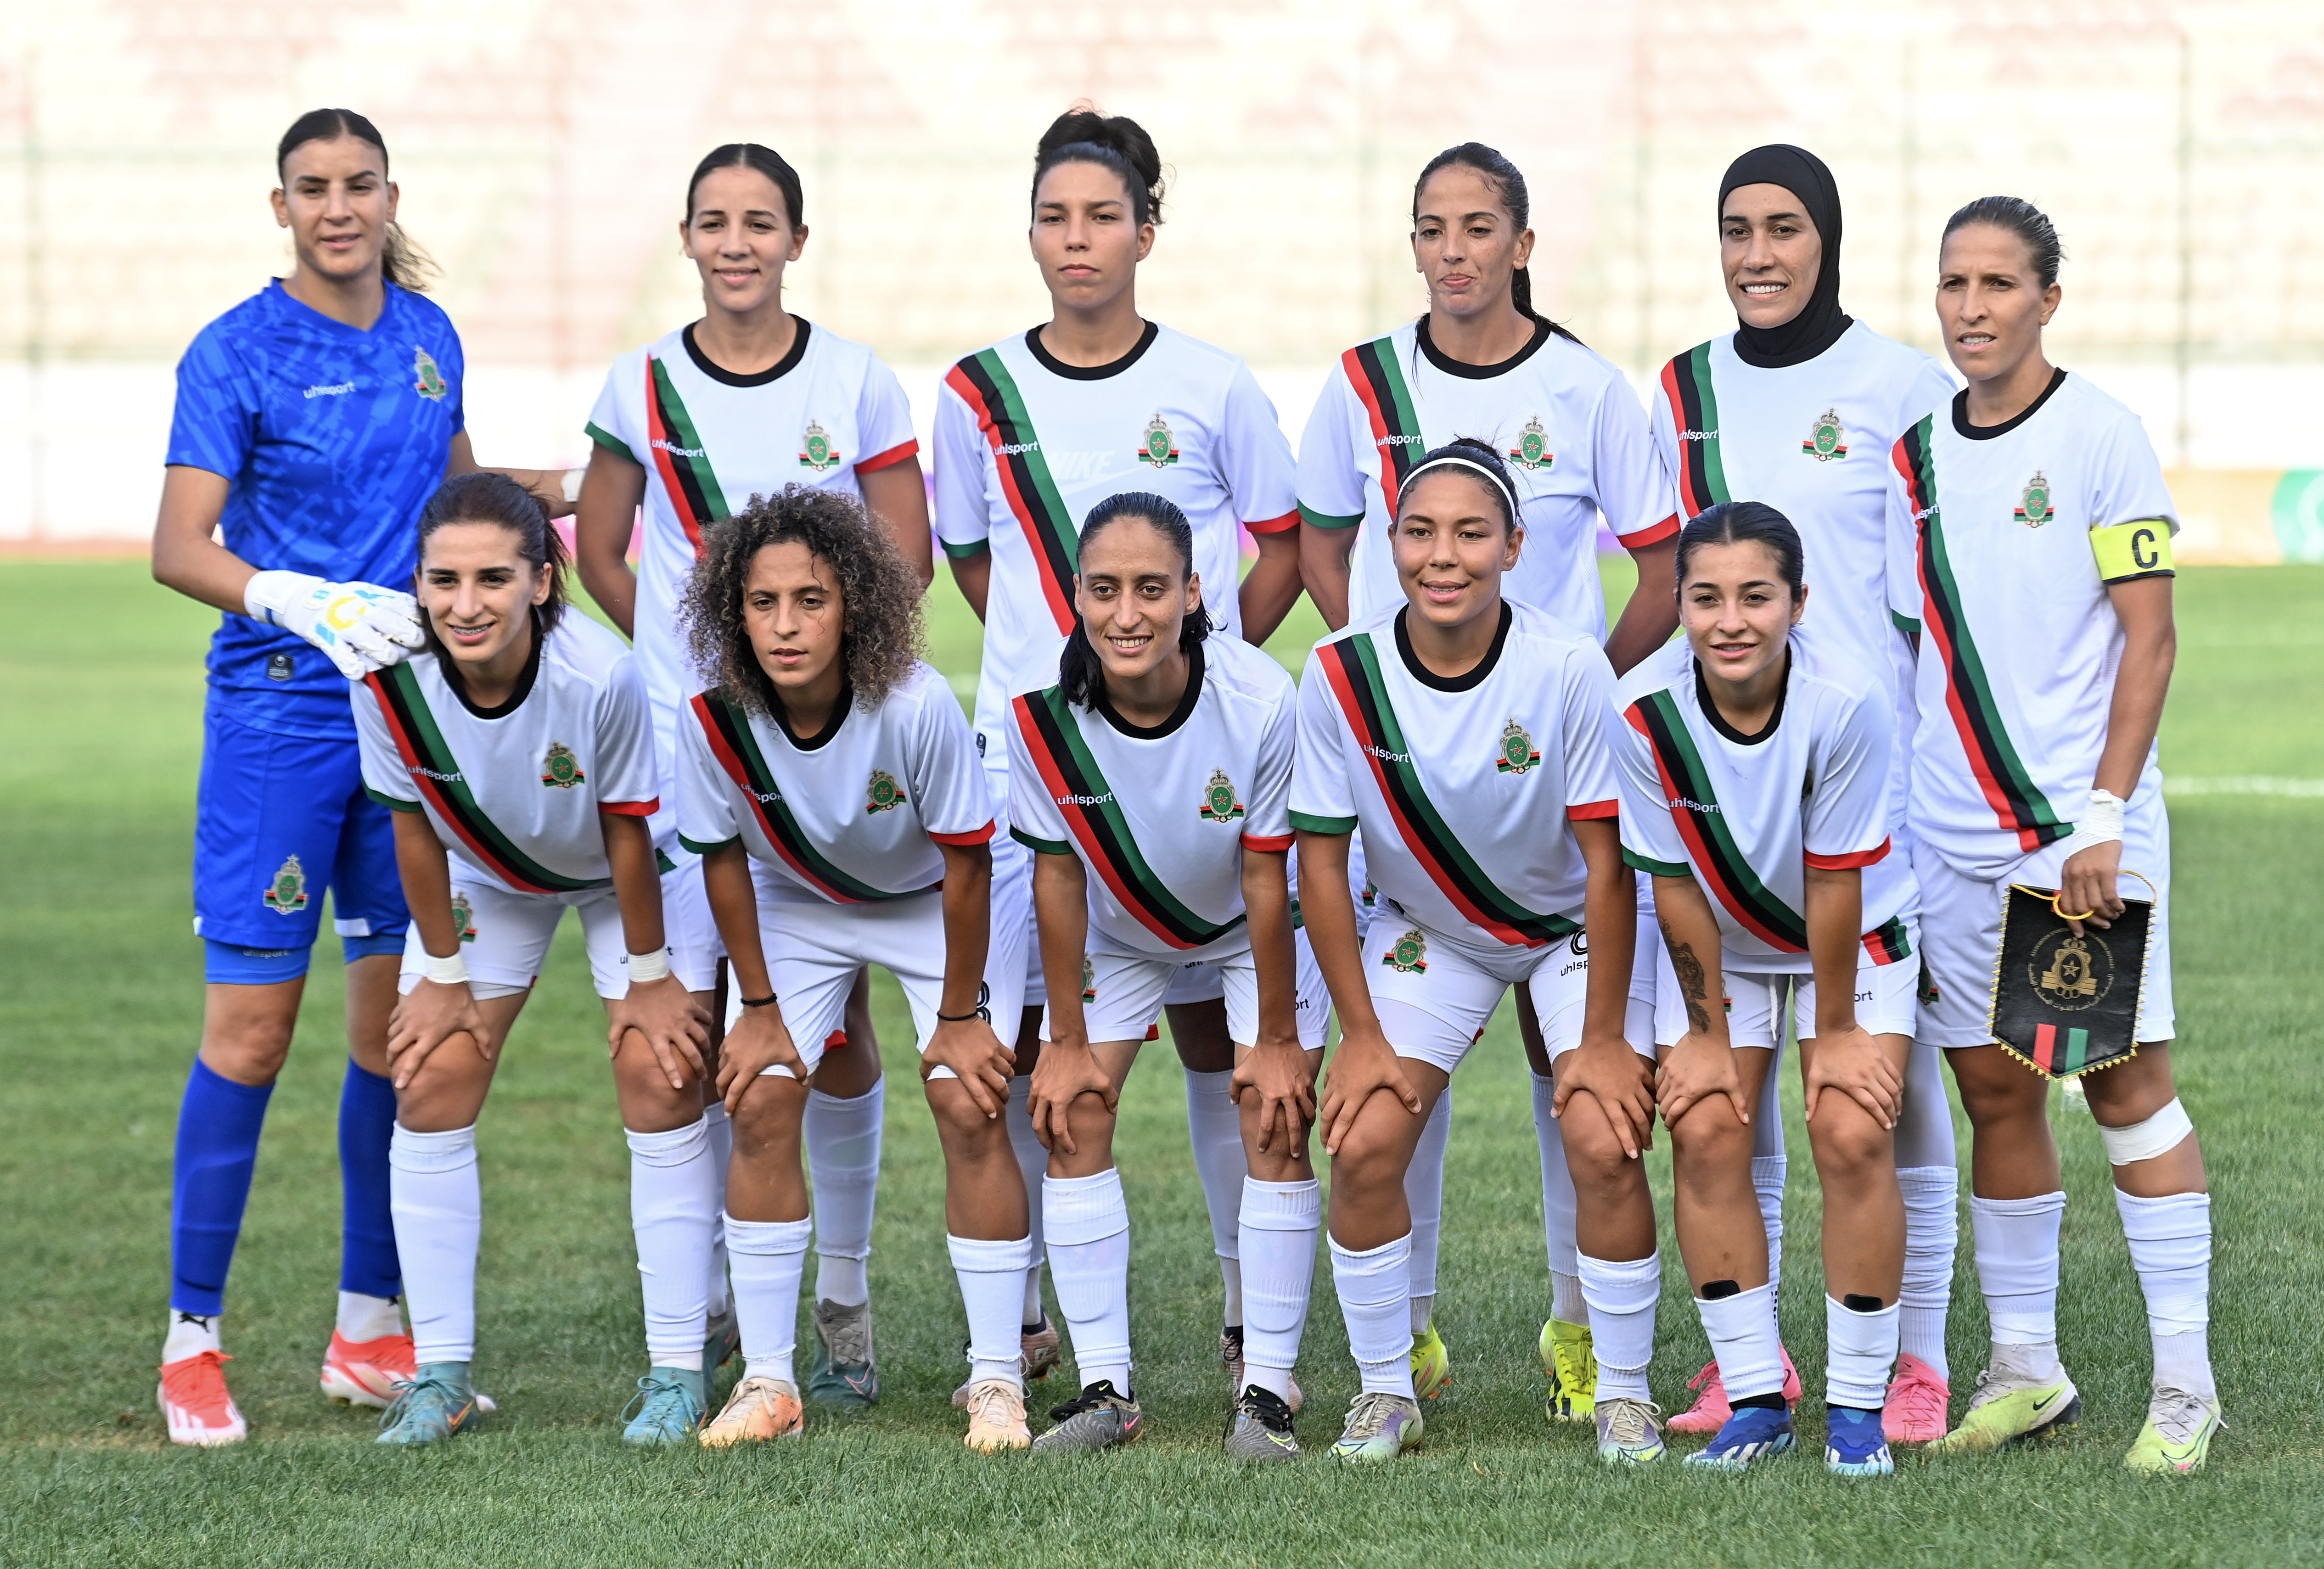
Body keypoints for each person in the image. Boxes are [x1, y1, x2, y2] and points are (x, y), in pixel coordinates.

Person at [148, 107, 574, 1446]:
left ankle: (367, 1325)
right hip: (280, 717)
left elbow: (460, 500)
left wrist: (592, 483)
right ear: (279, 205)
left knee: (391, 1029)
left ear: (392, 194)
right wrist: (295, 599)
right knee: (253, 1031)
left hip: (409, 721)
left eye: (359, 186)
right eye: (313, 189)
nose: (339, 208)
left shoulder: (429, 337)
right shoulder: (234, 350)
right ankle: (191, 1339)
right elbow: (178, 544)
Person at [1295, 142, 1681, 1416]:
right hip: (1404, 785)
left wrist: (1567, 689)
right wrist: (1393, 700)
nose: (1450, 250)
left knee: (1572, 1079)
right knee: (1395, 1080)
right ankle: (1400, 1347)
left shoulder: (1584, 388)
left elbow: (1661, 574)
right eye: (1429, 229)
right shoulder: (1358, 380)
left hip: (1555, 801)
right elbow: (1318, 549)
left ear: (1522, 242)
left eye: (1476, 228)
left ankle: (1583, 1339)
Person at [933, 105, 1309, 1391]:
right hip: (1038, 761)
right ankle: (1029, 1318)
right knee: (1043, 1037)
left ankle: (1242, 1307)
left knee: (1223, 1039)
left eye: (1102, 215)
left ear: (1148, 229)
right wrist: (1082, 684)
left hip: (1188, 765)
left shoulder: (1211, 382)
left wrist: (1191, 682)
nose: (1075, 239)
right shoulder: (973, 391)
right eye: (1054, 215)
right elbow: (974, 562)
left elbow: (1278, 545)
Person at [573, 143, 926, 1408]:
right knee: (692, 1032)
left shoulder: (855, 380)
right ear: (686, 239)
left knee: (831, 1035)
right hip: (690, 754)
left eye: (759, 222)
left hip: (823, 752)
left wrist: (813, 676)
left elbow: (905, 559)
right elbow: (600, 549)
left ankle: (842, 1298)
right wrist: (687, 656)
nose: (736, 242)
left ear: (795, 239)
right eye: (714, 222)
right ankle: (712, 1314)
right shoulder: (641, 382)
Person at [1888, 197, 2221, 1474]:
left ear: (2045, 300)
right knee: (1993, 1087)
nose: (1969, 306)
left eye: (1995, 283)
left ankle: (2182, 1388)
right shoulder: (1912, 455)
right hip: (1947, 836)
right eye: (1951, 282)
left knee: (2117, 1086)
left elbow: (2150, 637)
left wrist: (2098, 815)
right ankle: (2024, 1368)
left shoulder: (2098, 436)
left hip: (2066, 840)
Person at [1646, 144, 1963, 1444]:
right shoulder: (1678, 387)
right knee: (1727, 1096)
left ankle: (1912, 1360)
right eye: (1735, 230)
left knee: (1892, 1097)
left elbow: (1926, 603)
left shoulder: (1900, 388)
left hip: (1871, 795)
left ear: (1827, 239)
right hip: (1725, 800)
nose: (1757, 255)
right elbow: (1665, 587)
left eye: (1782, 228)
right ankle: (1750, 1364)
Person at [1291, 439, 1637, 1463]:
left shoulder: (1569, 664)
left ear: (1514, 546)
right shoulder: (1338, 670)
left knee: (1601, 1131)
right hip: (1427, 929)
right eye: (1418, 532)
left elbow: (1607, 864)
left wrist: (1606, 1035)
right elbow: (1319, 861)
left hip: (1565, 928)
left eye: (1470, 533)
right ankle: (1385, 1390)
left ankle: (1620, 1391)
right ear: (1388, 544)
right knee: (1358, 1139)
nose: (1442, 556)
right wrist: (1355, 1033)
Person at [351, 474, 708, 1446]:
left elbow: (629, 832)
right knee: (427, 1077)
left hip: (624, 869)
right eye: (444, 580)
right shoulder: (383, 670)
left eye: (494, 578)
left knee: (660, 1071)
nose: (466, 603)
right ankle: (442, 1375)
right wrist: (442, 973)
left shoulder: (600, 674)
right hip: (490, 871)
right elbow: (412, 825)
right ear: (417, 584)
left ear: (543, 582)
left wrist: (646, 978)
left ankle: (679, 1368)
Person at [675, 488, 1035, 1450]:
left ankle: (997, 1378)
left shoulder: (914, 705)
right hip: (799, 904)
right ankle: (769, 1381)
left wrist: (959, 1015)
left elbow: (966, 863)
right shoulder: (712, 716)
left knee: (967, 1095)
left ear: (858, 605)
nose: (786, 625)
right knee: (756, 1094)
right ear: (731, 611)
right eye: (762, 602)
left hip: (933, 899)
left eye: (812, 598)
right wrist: (754, 1004)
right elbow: (720, 856)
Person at [1592, 501, 1919, 1475]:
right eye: (1703, 598)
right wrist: (1699, 1030)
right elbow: (1672, 882)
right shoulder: (1640, 709)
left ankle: (1856, 1411)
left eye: (1754, 596)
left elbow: (1833, 877)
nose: (1728, 620)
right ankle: (1752, 1397)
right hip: (1717, 938)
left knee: (1848, 1125)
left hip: (1848, 930)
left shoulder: (1844, 698)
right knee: (1701, 1122)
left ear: (1797, 602)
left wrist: (1833, 1032)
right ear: (1677, 604)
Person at [1006, 493, 1308, 1457]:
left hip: (1244, 928)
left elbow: (1265, 877)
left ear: (1192, 592)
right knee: (1072, 1108)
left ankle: (1265, 1386)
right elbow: (1055, 877)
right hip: (1120, 938)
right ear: (1075, 596)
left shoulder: (1260, 700)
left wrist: (1272, 1037)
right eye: (1104, 589)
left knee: (1270, 1109)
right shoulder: (1039, 716)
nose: (1126, 614)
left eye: (1150, 588)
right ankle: (1106, 1387)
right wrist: (1058, 1041)